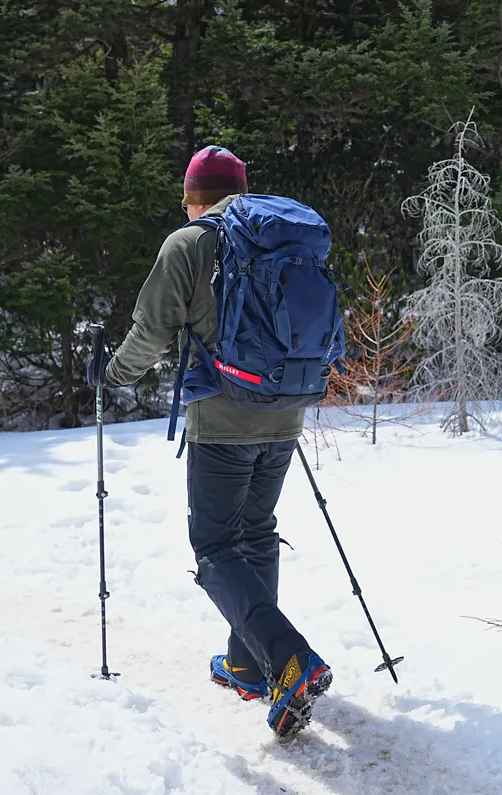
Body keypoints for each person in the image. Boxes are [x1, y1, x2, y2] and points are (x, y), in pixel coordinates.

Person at [85, 146, 331, 739]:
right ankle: (250, 663)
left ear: (192, 196)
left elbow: (151, 329)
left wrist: (111, 375)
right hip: (286, 411)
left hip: (223, 420)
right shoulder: (280, 236)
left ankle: (290, 660)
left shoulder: (191, 243)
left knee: (217, 548)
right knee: (256, 534)